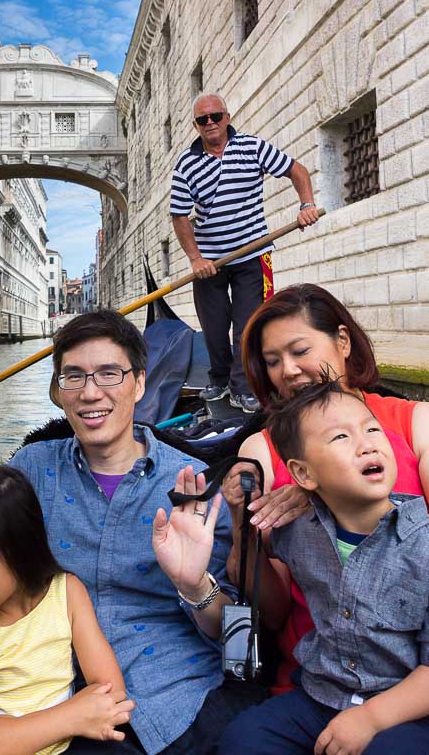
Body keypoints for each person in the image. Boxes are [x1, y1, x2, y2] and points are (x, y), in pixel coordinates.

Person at [0, 311, 263, 755]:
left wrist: (193, 584)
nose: (91, 393)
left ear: (140, 383)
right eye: (74, 376)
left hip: (179, 694)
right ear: (58, 391)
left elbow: (234, 634)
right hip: (57, 702)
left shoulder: (194, 485)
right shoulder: (30, 470)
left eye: (109, 373)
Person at [223, 283, 429, 693]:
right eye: (272, 361)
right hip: (312, 680)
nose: (288, 371)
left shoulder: (416, 422)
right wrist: (239, 527)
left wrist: (329, 490)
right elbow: (276, 611)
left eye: (300, 352)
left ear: (343, 342)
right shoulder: (260, 452)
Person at [219, 378, 429, 754]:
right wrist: (240, 518)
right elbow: (253, 573)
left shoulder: (423, 545)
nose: (367, 444)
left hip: (405, 707)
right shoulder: (299, 530)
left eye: (371, 429)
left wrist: (371, 719)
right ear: (303, 474)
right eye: (340, 438)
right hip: (321, 695)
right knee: (244, 739)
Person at [0, 464, 133, 755]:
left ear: (20, 551)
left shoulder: (67, 592)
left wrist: (75, 717)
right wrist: (71, 717)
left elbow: (112, 691)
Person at [170, 93, 319, 413]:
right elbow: (180, 216)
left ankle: (242, 386)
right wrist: (196, 258)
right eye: (202, 120)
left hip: (253, 253)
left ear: (227, 117)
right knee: (213, 327)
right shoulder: (186, 163)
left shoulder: (252, 147)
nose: (210, 123)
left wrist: (306, 203)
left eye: (216, 116)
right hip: (210, 261)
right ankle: (220, 378)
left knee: (249, 324)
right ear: (196, 125)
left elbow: (297, 170)